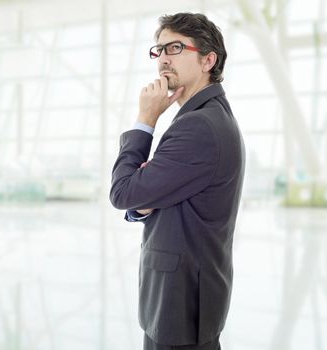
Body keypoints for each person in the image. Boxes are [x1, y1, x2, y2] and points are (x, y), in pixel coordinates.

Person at [110, 12, 245, 350]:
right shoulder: (204, 118)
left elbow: (123, 192)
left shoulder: (199, 126)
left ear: (208, 60)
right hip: (183, 306)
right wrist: (144, 200)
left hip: (180, 311)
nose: (163, 60)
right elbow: (143, 197)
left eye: (174, 48)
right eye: (158, 51)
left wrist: (145, 119)